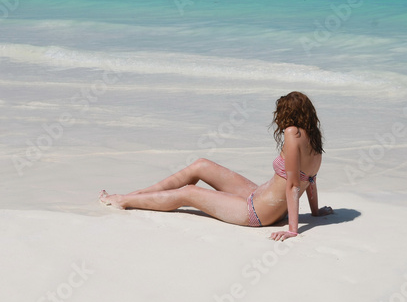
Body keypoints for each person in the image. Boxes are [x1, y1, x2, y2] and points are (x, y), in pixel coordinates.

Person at [99, 91, 333, 241]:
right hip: (258, 196)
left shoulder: (293, 133)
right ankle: (137, 194)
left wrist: (293, 229)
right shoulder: (313, 139)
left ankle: (124, 200)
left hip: (257, 212)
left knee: (188, 193)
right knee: (201, 165)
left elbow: (294, 185)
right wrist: (315, 211)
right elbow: (310, 180)